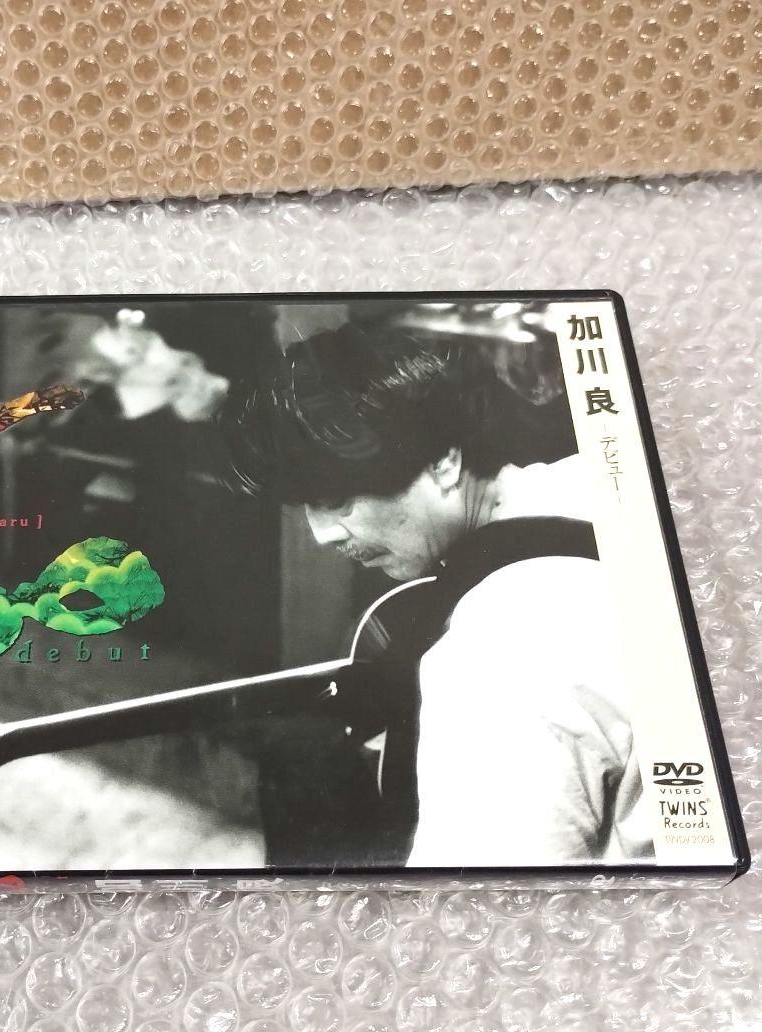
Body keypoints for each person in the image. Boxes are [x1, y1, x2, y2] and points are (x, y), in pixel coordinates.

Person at [223, 319, 653, 868]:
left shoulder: (494, 655)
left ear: (444, 462)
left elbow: (491, 904)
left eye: (335, 498)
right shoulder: (606, 482)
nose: (321, 534)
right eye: (303, 505)